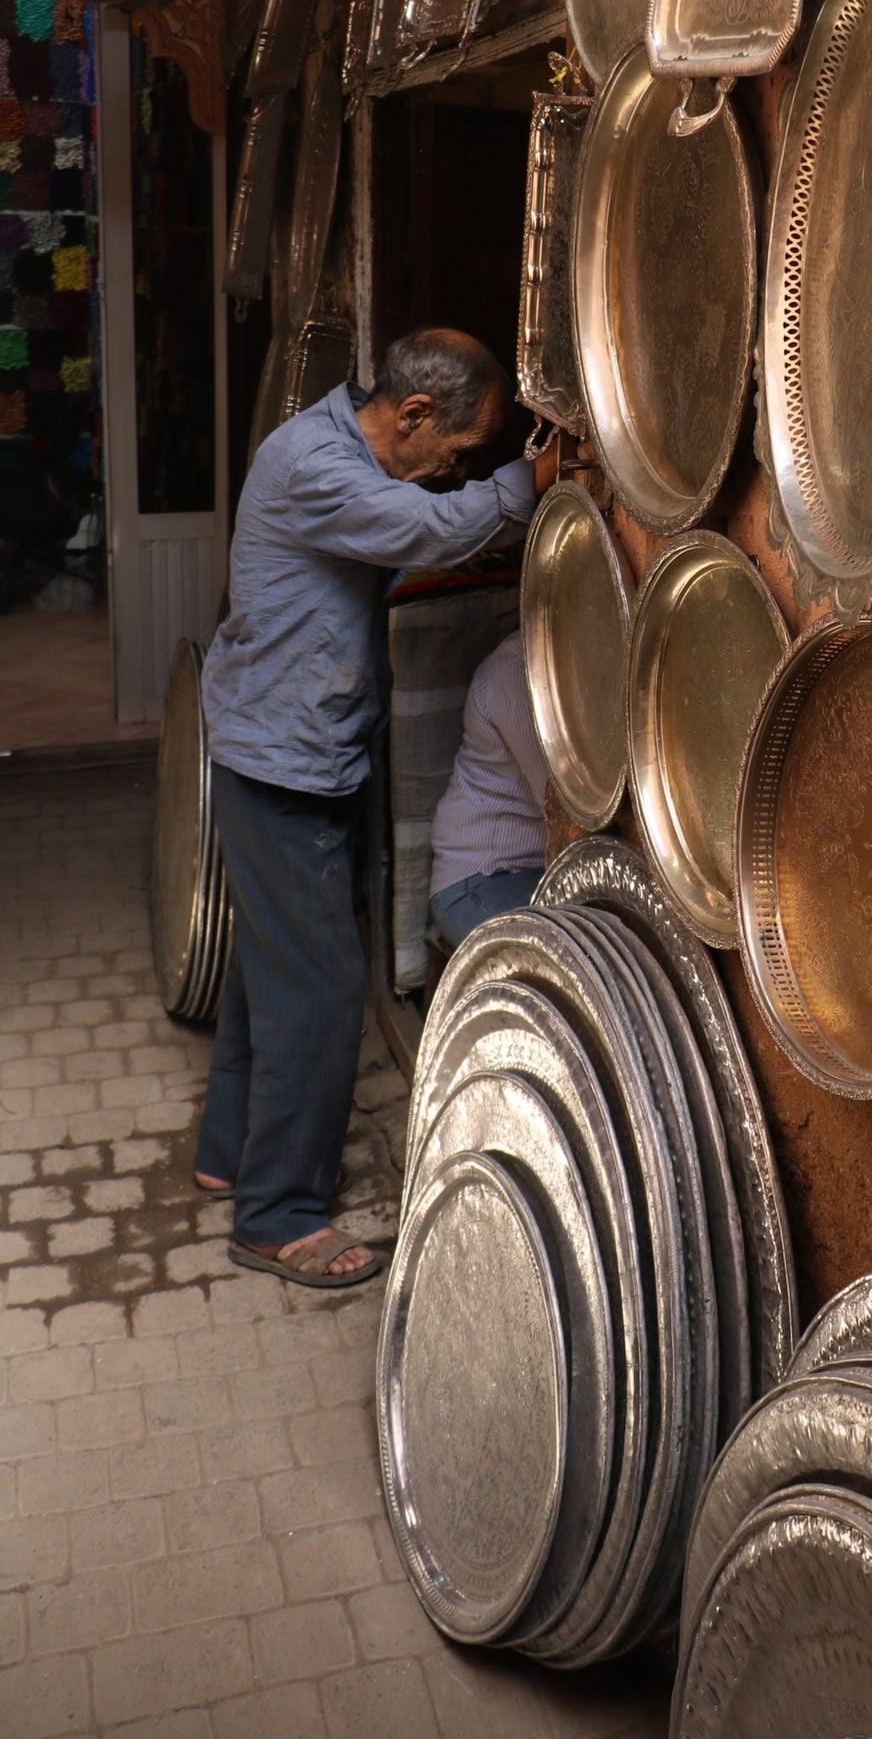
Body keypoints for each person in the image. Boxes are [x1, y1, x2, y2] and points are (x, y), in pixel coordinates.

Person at [194, 329, 556, 1289]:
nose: (456, 468)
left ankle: (227, 1152)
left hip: (278, 750)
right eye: (458, 449)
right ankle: (277, 1215)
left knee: (265, 972)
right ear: (412, 415)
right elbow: (430, 530)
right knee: (319, 990)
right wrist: (530, 479)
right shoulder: (314, 465)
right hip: (281, 765)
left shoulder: (334, 444)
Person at [427, 628, 548, 953]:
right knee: (567, 962)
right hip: (481, 880)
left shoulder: (574, 663)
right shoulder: (516, 671)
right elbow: (565, 805)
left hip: (539, 872)